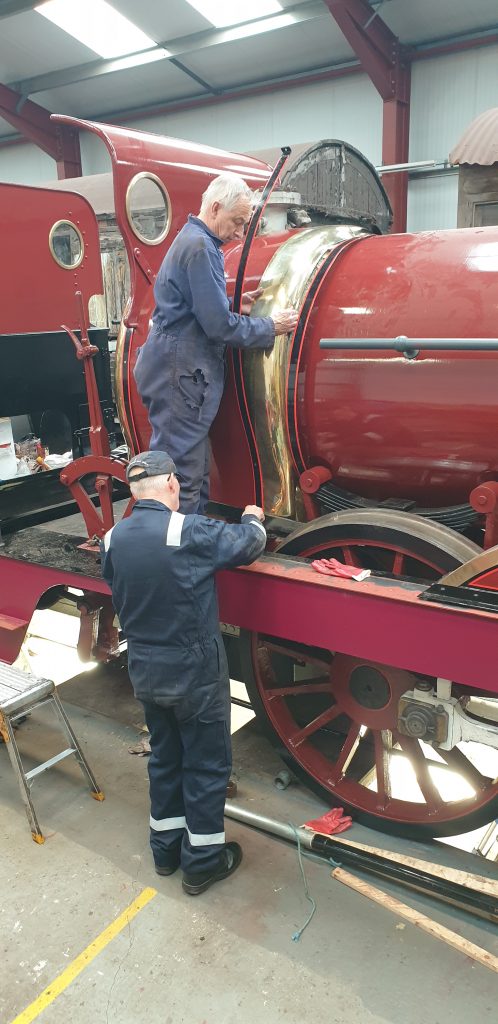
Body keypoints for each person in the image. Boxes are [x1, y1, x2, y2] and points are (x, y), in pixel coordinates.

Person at [100, 450, 267, 895]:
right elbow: (247, 546)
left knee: (165, 758)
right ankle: (202, 864)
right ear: (171, 484)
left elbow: (116, 585)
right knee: (207, 766)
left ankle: (164, 852)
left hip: (146, 668)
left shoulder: (112, 538)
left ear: (134, 493)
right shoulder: (186, 529)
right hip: (193, 670)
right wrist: (253, 518)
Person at [134, 172, 298, 514]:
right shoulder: (199, 247)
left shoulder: (195, 240)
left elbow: (193, 308)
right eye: (237, 221)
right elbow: (218, 328)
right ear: (215, 207)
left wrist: (231, 304)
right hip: (179, 375)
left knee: (191, 473)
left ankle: (188, 543)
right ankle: (179, 556)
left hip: (175, 369)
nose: (240, 232)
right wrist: (270, 327)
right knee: (182, 479)